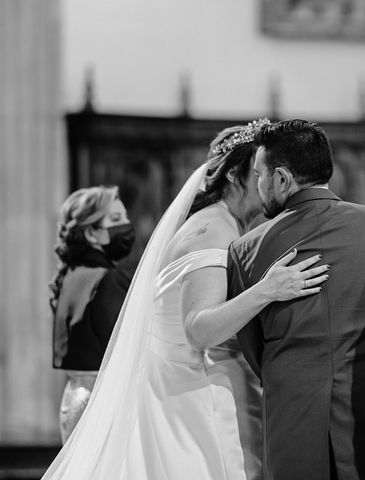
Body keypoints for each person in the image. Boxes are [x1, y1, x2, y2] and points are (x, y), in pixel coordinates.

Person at [43, 119, 329, 480]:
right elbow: (199, 329)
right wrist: (268, 289)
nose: (265, 182)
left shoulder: (221, 223)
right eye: (258, 173)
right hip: (189, 399)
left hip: (181, 386)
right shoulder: (213, 229)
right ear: (233, 176)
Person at [227, 119, 365, 480]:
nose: (257, 186)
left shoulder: (246, 250)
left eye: (259, 174)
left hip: (295, 435)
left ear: (281, 179)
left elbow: (254, 350)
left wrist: (295, 374)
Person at [49, 186, 134, 443]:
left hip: (73, 396)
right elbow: (126, 350)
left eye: (126, 217)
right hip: (102, 400)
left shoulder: (69, 275)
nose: (127, 226)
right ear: (90, 232)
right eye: (116, 220)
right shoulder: (107, 278)